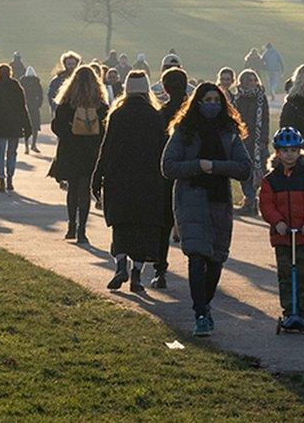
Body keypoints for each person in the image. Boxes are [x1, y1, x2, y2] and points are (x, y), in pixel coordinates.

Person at [161, 82, 251, 337]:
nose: (212, 104)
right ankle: (201, 312)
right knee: (197, 254)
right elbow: (168, 166)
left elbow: (244, 168)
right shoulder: (184, 130)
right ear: (197, 102)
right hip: (191, 197)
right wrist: (198, 165)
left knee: (216, 257)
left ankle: (205, 304)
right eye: (207, 99)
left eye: (216, 100)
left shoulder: (229, 131)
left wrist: (216, 166)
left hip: (219, 199)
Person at [93, 71, 170, 294]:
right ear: (146, 89)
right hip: (148, 180)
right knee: (142, 228)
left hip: (119, 179)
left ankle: (119, 266)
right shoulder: (155, 116)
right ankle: (136, 275)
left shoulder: (117, 115)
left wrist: (97, 178)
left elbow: (106, 149)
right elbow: (161, 149)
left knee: (121, 225)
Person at [259, 127, 304, 326]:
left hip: (303, 236)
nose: (290, 155)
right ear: (277, 152)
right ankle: (289, 311)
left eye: (294, 150)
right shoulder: (270, 180)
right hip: (283, 236)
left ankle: (303, 312)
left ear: (300, 151)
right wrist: (277, 222)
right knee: (285, 274)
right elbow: (266, 204)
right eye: (285, 151)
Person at [50, 64, 109, 244]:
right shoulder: (100, 105)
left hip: (71, 150)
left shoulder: (67, 103)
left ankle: (71, 226)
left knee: (72, 189)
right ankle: (82, 229)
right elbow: (105, 129)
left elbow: (56, 126)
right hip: (91, 152)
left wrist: (69, 133)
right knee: (85, 190)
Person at [151, 66, 190, 288]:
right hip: (193, 172)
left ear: (165, 88)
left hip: (167, 174)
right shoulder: (195, 113)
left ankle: (160, 269)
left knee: (164, 223)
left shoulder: (162, 114)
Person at [0, 65, 32, 193]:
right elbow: (22, 107)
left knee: (0, 153)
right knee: (12, 153)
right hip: (14, 124)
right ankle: (10, 178)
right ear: (10, 73)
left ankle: (1, 179)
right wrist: (27, 125)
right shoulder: (16, 86)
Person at [233, 69, 270, 215]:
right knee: (244, 170)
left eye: (252, 80)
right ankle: (249, 199)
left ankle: (253, 199)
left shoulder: (261, 99)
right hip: (242, 140)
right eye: (246, 80)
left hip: (257, 140)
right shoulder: (237, 99)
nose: (249, 83)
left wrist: (263, 139)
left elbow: (265, 119)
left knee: (259, 171)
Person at [20, 67, 44, 154]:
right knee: (35, 126)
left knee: (26, 126)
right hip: (34, 106)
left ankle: (27, 146)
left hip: (25, 105)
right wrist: (39, 104)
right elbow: (40, 94)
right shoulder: (36, 83)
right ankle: (33, 145)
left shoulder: (22, 83)